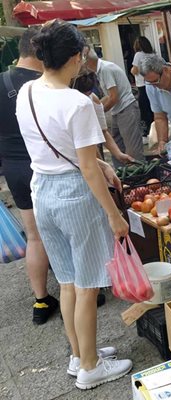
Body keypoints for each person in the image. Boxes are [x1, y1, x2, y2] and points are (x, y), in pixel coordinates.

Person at [15, 20, 132, 389]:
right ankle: (91, 368)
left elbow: (62, 149)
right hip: (74, 196)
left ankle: (79, 355)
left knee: (66, 281)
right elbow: (84, 166)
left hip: (42, 192)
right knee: (86, 286)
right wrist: (114, 215)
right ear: (78, 56)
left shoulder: (27, 91)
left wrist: (101, 166)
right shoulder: (78, 103)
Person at [0, 26, 60, 325]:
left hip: (13, 169)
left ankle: (41, 301)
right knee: (62, 232)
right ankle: (78, 289)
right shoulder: (45, 84)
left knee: (34, 236)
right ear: (40, 50)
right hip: (44, 167)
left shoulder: (1, 81)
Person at [83, 46, 144, 167]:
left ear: (87, 62)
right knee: (116, 147)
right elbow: (108, 96)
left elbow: (113, 97)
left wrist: (100, 112)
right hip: (118, 111)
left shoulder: (105, 69)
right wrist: (97, 107)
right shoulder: (100, 70)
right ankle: (121, 176)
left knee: (133, 150)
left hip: (126, 109)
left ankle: (139, 177)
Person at [72, 71, 136, 164]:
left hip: (89, 149)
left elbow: (103, 131)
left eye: (88, 94)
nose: (85, 98)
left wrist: (118, 154)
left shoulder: (94, 100)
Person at [130, 36, 155, 138]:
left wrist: (131, 71)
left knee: (144, 110)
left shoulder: (138, 55)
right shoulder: (152, 54)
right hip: (153, 84)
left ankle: (146, 133)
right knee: (153, 108)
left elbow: (135, 70)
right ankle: (155, 131)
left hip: (142, 85)